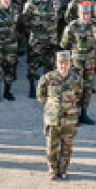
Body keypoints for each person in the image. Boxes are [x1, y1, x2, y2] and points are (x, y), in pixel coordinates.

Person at [37, 50, 81, 180]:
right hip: (53, 118)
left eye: (66, 63)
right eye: (61, 64)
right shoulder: (48, 78)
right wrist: (52, 107)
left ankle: (63, 169)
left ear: (70, 64)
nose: (63, 66)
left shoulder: (76, 79)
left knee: (67, 146)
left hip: (69, 119)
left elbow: (78, 95)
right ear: (56, 64)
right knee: (52, 146)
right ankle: (52, 169)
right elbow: (41, 96)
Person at [60, 0, 96, 125]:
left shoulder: (95, 25)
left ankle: (84, 113)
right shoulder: (72, 26)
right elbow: (64, 44)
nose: (86, 16)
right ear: (78, 13)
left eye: (88, 14)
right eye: (83, 14)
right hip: (77, 62)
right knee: (75, 89)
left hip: (90, 61)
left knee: (88, 88)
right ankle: (73, 114)